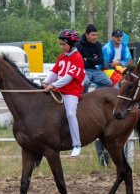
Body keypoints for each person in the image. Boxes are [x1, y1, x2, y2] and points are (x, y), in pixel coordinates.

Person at [42, 29, 85, 158]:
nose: (61, 47)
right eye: (60, 44)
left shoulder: (77, 57)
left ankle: (76, 145)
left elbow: (69, 77)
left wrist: (53, 85)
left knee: (71, 114)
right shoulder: (62, 57)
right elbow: (54, 72)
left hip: (71, 92)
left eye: (63, 44)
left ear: (71, 44)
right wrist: (45, 82)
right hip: (59, 90)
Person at [79, 24, 111, 93]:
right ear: (87, 35)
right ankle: (83, 99)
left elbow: (101, 61)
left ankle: (92, 96)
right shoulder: (79, 44)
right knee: (85, 83)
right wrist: (94, 60)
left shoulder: (98, 45)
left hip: (94, 69)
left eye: (96, 35)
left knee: (108, 83)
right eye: (92, 35)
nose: (95, 37)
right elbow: (80, 61)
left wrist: (87, 59)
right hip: (83, 69)